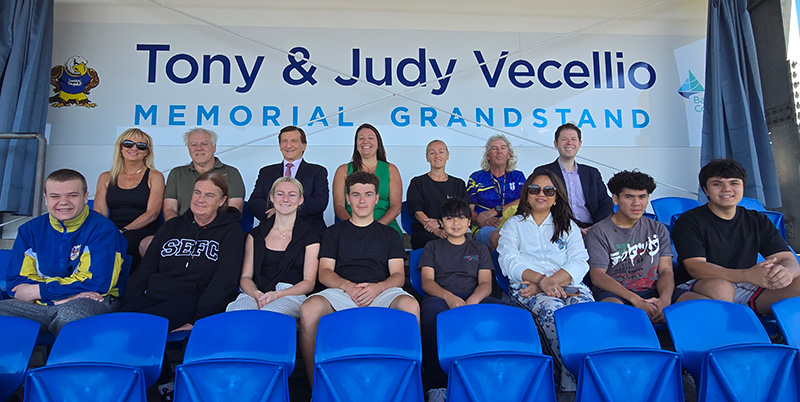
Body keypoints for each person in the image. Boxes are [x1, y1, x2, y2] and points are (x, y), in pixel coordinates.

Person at [299, 171, 419, 382]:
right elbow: (325, 272)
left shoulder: (390, 234)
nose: (362, 200)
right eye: (356, 194)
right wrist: (347, 286)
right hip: (342, 292)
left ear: (376, 198)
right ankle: (315, 388)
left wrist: (377, 288)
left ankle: (410, 384)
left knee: (410, 306)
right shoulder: (333, 232)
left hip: (381, 292)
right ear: (347, 199)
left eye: (368, 194)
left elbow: (398, 276)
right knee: (309, 309)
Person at [497, 169, 593, 396]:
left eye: (549, 190)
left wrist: (545, 284)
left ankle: (589, 374)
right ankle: (572, 380)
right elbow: (509, 263)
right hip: (527, 288)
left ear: (557, 196)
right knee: (553, 311)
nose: (542, 194)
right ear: (526, 194)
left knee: (583, 312)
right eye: (535, 190)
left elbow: (580, 262)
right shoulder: (514, 225)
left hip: (565, 285)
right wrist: (540, 281)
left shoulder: (568, 225)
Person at [0, 169, 127, 334]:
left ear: (85, 196)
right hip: (43, 304)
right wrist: (62, 297)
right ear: (46, 199)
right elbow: (16, 283)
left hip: (92, 300)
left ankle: (68, 361)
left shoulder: (103, 229)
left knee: (71, 316)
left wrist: (37, 291)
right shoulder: (30, 230)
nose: (63, 202)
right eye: (55, 196)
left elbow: (96, 283)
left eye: (72, 195)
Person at [119, 172, 244, 331]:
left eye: (209, 195)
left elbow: (223, 281)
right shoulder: (172, 226)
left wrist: (198, 319)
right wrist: (128, 304)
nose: (200, 199)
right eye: (197, 192)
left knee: (141, 327)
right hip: (155, 295)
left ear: (222, 201)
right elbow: (145, 270)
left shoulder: (231, 232)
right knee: (115, 323)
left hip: (191, 301)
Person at [673, 158, 800, 314]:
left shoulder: (757, 220)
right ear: (705, 190)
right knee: (722, 288)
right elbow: (696, 268)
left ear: (743, 187)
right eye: (717, 184)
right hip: (699, 285)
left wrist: (786, 272)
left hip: (747, 285)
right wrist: (747, 275)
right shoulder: (689, 220)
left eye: (734, 183)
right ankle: (733, 331)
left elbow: (786, 258)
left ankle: (771, 330)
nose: (727, 189)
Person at [418, 198, 507, 401]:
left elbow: (486, 283)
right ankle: (437, 385)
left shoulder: (479, 248)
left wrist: (473, 300)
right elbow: (427, 283)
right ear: (440, 222)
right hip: (441, 296)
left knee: (507, 314)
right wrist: (449, 298)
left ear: (469, 222)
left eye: (461, 218)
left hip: (474, 296)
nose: (456, 223)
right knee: (431, 318)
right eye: (449, 219)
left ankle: (498, 377)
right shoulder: (432, 247)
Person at [586, 170, 703, 322]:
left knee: (703, 305)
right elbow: (598, 276)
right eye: (629, 197)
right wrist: (636, 300)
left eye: (643, 197)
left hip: (653, 291)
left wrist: (665, 300)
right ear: (615, 199)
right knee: (615, 312)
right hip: (616, 294)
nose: (637, 203)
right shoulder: (599, 231)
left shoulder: (658, 228)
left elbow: (666, 270)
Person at [227, 177, 320, 317]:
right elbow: (245, 277)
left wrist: (278, 295)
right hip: (256, 293)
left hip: (291, 294)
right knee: (237, 315)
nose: (285, 199)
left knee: (268, 316)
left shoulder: (310, 235)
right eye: (280, 194)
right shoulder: (255, 235)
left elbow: (309, 282)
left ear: (300, 200)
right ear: (272, 197)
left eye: (292, 195)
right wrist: (257, 294)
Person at [93, 128, 164, 271]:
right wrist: (107, 231)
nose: (134, 148)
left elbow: (152, 213)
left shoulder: (154, 176)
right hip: (113, 229)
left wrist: (124, 230)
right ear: (120, 148)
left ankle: (130, 287)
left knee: (126, 241)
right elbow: (99, 212)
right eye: (128, 144)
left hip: (143, 229)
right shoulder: (106, 177)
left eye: (141, 146)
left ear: (147, 152)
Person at [247, 126, 329, 235]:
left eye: (294, 141)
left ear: (304, 146)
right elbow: (255, 202)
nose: (288, 145)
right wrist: (277, 212)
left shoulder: (317, 171)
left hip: (309, 229)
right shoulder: (266, 172)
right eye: (284, 141)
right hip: (271, 227)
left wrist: (285, 210)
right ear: (280, 145)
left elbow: (319, 202)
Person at [534, 123, 613, 234]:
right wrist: (570, 229)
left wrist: (595, 228)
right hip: (558, 230)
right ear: (555, 144)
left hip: (593, 230)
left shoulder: (592, 173)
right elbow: (539, 205)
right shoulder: (543, 173)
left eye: (573, 139)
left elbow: (606, 203)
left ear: (579, 143)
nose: (569, 143)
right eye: (564, 139)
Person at [332, 123, 403, 236]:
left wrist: (377, 227)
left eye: (371, 138)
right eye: (361, 138)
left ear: (378, 143)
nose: (366, 141)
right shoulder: (343, 170)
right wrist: (354, 227)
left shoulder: (391, 169)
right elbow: (339, 206)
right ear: (356, 145)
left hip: (385, 227)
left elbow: (396, 206)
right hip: (351, 228)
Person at [163, 127, 245, 221]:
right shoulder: (176, 174)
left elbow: (234, 210)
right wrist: (177, 228)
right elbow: (169, 209)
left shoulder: (231, 173)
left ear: (214, 147)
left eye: (204, 144)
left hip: (219, 231)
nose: (199, 148)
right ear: (188, 148)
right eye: (193, 145)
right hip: (182, 230)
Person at [466, 134, 526, 250]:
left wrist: (496, 210)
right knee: (500, 237)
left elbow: (524, 200)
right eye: (494, 148)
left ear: (509, 155)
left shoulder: (518, 176)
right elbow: (469, 209)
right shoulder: (476, 178)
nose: (499, 151)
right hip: (483, 228)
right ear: (488, 156)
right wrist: (483, 220)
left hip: (514, 225)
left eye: (503, 148)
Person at [406, 139, 468, 250]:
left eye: (441, 152)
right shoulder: (417, 183)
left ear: (448, 155)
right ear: (427, 158)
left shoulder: (458, 184)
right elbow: (417, 212)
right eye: (432, 153)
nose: (437, 156)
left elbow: (462, 212)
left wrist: (440, 223)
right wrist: (435, 230)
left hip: (454, 230)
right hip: (425, 233)